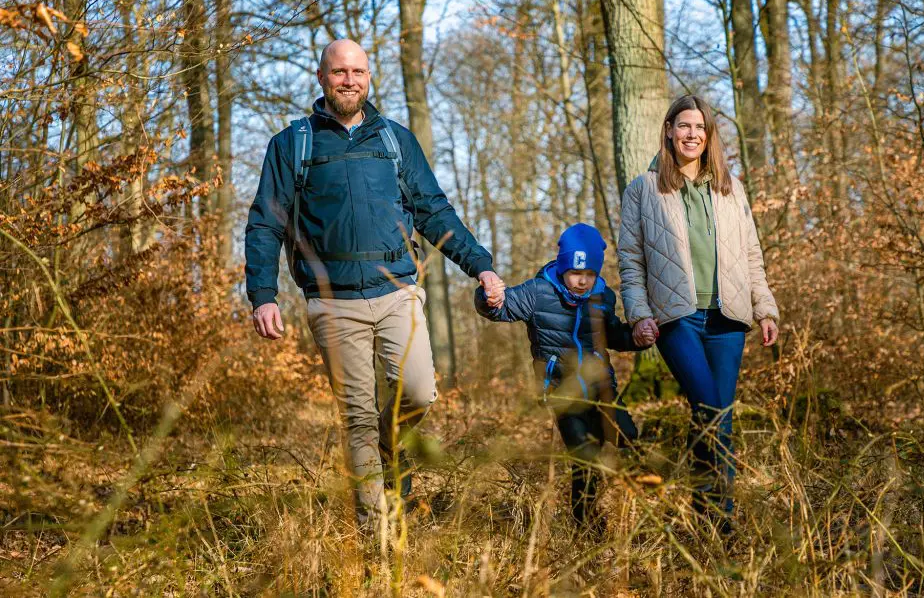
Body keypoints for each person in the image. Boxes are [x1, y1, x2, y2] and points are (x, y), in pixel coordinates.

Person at [244, 39, 505, 529]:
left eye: (359, 71)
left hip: (397, 293)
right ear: (321, 78)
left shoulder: (395, 140)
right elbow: (265, 224)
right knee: (358, 418)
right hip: (332, 302)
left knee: (421, 392)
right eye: (340, 72)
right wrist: (263, 294)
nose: (350, 80)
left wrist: (481, 266)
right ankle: (376, 531)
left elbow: (434, 211)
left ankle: (392, 455)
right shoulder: (292, 144)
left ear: (369, 77)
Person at [618, 94, 780, 530]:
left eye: (700, 128)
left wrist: (765, 308)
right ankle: (720, 521)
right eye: (684, 126)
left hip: (728, 318)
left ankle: (707, 513)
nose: (692, 135)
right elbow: (630, 260)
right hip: (677, 318)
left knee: (716, 417)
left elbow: (751, 254)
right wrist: (638, 313)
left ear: (709, 136)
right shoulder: (643, 189)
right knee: (710, 409)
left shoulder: (730, 188)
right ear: (669, 130)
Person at [474, 223, 648, 532]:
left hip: (601, 388)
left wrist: (636, 337)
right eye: (575, 273)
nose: (582, 281)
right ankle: (587, 522)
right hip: (562, 391)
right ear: (564, 267)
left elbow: (611, 334)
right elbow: (502, 308)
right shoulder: (539, 291)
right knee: (584, 454)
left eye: (589, 274)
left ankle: (642, 509)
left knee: (628, 438)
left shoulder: (603, 296)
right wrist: (488, 298)